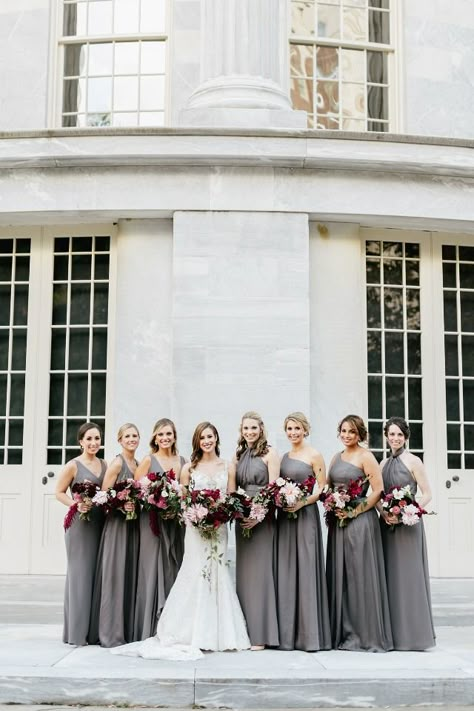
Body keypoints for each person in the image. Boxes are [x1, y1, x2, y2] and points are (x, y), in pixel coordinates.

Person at [111, 421, 250, 660]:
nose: (207, 441)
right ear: (197, 441)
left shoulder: (228, 466)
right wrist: (197, 515)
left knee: (218, 572)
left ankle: (220, 632)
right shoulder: (189, 467)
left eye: (210, 436)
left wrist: (219, 513)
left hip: (218, 530)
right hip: (195, 528)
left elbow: (230, 497)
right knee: (193, 571)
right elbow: (183, 500)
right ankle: (187, 630)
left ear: (216, 438)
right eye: (202, 437)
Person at [326, 414, 393, 652]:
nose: (346, 436)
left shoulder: (366, 457)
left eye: (351, 432)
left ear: (359, 434)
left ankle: (365, 635)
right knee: (341, 575)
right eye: (343, 431)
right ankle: (343, 633)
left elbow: (378, 491)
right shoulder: (336, 457)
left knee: (359, 576)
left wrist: (354, 512)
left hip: (360, 522)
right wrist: (332, 503)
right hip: (338, 523)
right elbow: (328, 487)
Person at [275, 412, 331, 651]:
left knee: (306, 568)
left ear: (305, 430)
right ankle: (287, 635)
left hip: (305, 515)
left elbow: (323, 487)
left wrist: (303, 502)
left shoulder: (314, 455)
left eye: (297, 428)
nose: (293, 433)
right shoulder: (284, 457)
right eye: (289, 428)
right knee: (287, 570)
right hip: (286, 519)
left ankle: (310, 636)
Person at [379, 416, 435, 650]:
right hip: (387, 525)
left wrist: (408, 511)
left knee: (409, 577)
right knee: (390, 577)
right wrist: (384, 513)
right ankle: (393, 634)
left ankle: (413, 636)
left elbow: (427, 493)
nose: (395, 438)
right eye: (391, 434)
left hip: (409, 526)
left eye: (399, 434)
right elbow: (377, 495)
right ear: (386, 436)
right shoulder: (381, 464)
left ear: (406, 437)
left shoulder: (414, 461)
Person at [133, 418, 186, 640]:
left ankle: (172, 626)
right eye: (161, 434)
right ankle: (150, 627)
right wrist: (154, 501)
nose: (165, 438)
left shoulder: (183, 461)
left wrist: (175, 505)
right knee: (153, 568)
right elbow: (136, 489)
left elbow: (186, 490)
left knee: (173, 565)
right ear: (155, 437)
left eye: (169, 434)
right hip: (152, 522)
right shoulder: (148, 460)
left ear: (174, 436)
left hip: (174, 521)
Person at [89, 423, 141, 647]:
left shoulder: (138, 464)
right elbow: (103, 496)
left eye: (135, 435)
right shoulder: (117, 463)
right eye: (127, 436)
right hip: (117, 526)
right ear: (120, 440)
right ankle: (110, 631)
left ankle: (126, 628)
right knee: (114, 574)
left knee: (128, 574)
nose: (131, 439)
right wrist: (120, 506)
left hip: (133, 527)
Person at [55, 422, 107, 646]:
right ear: (81, 442)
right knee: (80, 576)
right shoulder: (73, 466)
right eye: (89, 439)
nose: (93, 443)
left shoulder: (105, 465)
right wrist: (76, 505)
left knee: (97, 576)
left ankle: (94, 632)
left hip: (100, 523)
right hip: (79, 526)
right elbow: (58, 492)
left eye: (97, 439)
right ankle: (76, 633)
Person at [232, 411, 280, 650]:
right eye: (245, 429)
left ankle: (261, 633)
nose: (249, 432)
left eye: (253, 428)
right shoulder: (238, 454)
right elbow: (233, 488)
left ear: (261, 428)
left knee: (261, 575)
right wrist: (238, 511)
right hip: (243, 518)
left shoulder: (270, 453)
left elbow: (273, 489)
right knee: (245, 575)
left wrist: (258, 515)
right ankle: (244, 632)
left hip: (263, 519)